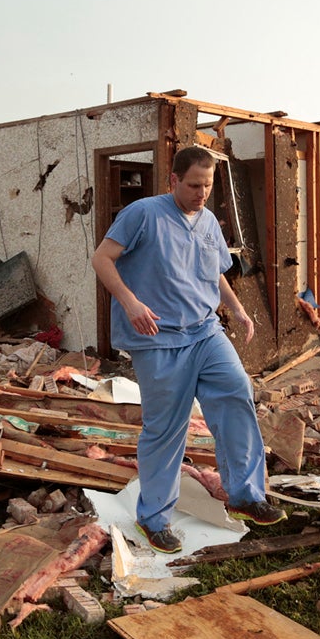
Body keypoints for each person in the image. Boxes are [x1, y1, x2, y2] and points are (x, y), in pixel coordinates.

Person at [91, 146, 286, 554]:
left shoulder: (209, 221)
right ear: (173, 181)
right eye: (194, 185)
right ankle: (154, 518)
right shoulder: (143, 214)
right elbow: (102, 259)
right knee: (167, 428)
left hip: (205, 332)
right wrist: (130, 302)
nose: (202, 193)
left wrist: (237, 309)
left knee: (237, 393)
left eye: (208, 185)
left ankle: (247, 494)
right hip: (159, 339)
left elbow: (213, 272)